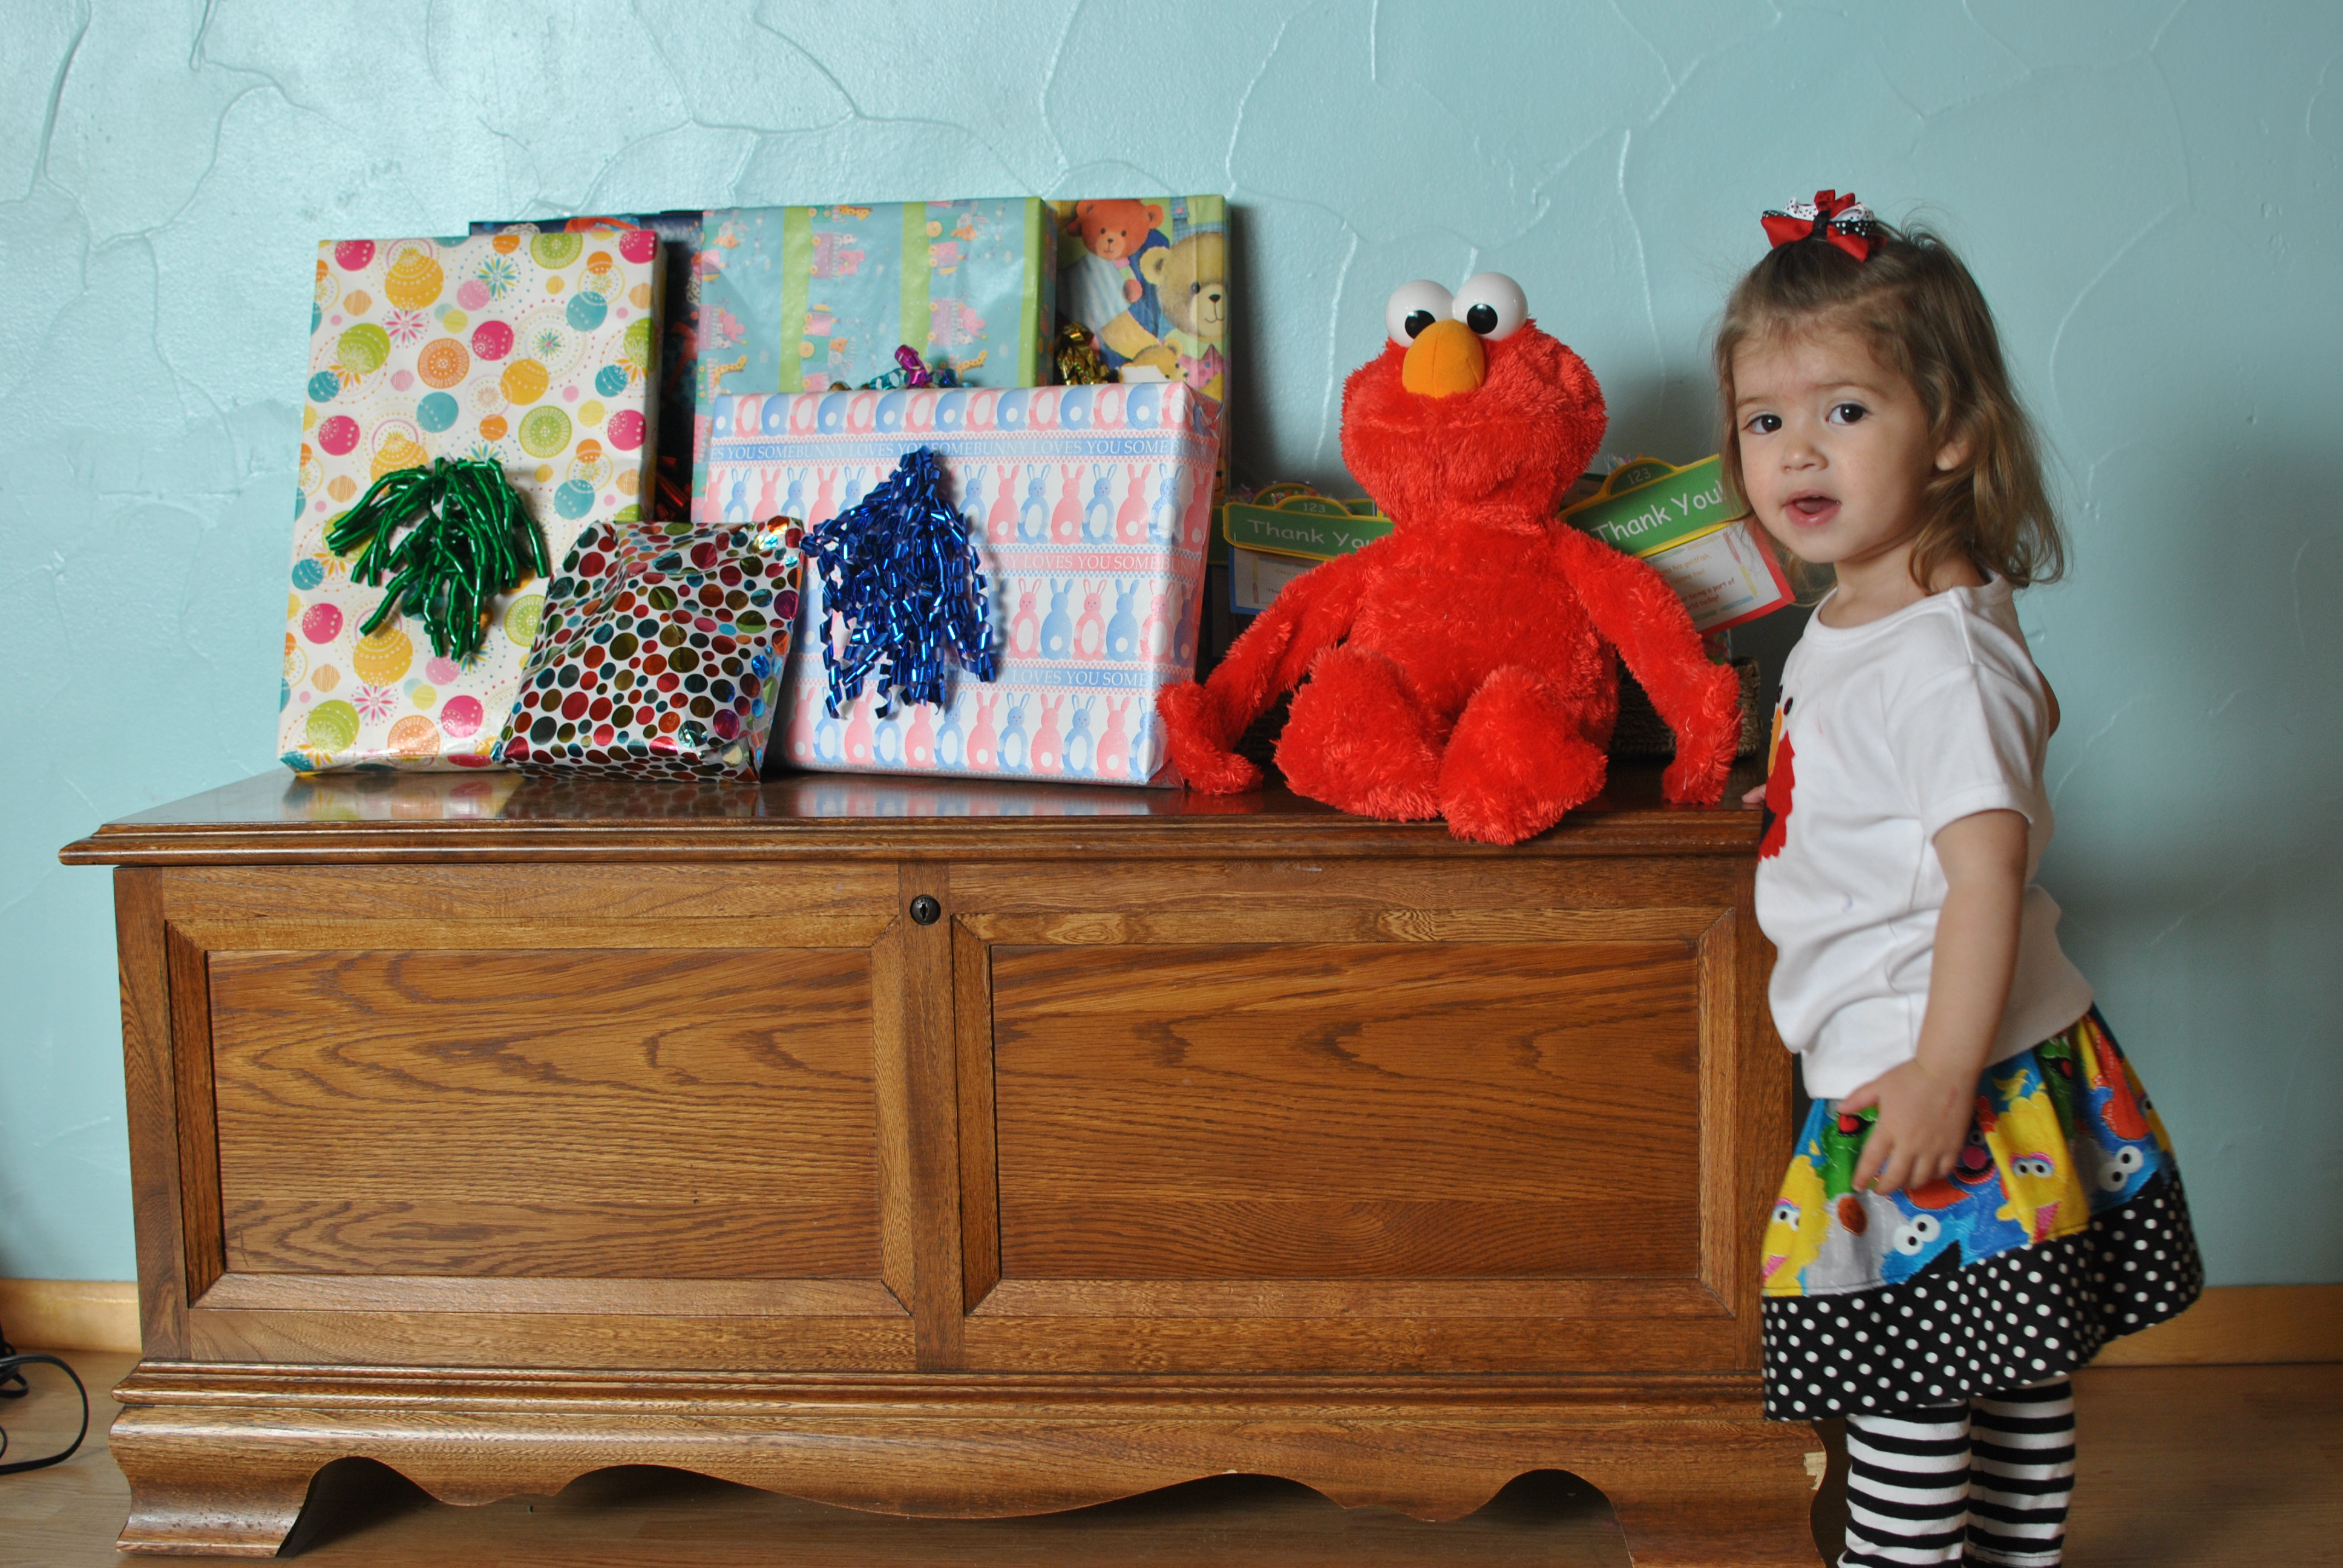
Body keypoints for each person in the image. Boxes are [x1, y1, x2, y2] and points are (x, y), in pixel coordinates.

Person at [1725, 193, 2202, 1568]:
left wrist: (1943, 1074)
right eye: (1764, 419)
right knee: (1996, 1362)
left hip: (1948, 1069)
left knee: (1912, 1381)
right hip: (1933, 1056)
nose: (1796, 448)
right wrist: (1803, 802)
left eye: (1845, 411)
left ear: (1951, 433)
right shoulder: (1857, 615)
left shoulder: (1942, 658)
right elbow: (1888, 788)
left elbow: (1984, 877)